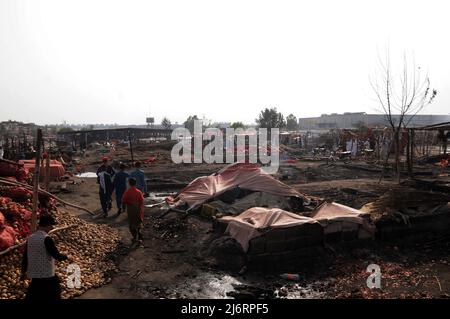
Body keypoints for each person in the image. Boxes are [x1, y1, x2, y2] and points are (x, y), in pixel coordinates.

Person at [21, 214, 69, 300]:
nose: (51, 228)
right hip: (46, 273)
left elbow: (25, 256)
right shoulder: (46, 239)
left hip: (35, 273)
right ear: (47, 225)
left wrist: (23, 271)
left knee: (34, 292)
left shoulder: (30, 238)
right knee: (54, 290)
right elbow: (56, 255)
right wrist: (66, 256)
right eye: (51, 226)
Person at [121, 177, 144, 246]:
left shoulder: (127, 192)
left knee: (131, 223)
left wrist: (123, 208)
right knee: (138, 222)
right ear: (135, 183)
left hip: (130, 209)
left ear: (129, 183)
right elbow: (141, 201)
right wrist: (141, 210)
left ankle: (134, 237)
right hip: (138, 209)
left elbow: (123, 201)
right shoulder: (139, 192)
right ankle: (140, 237)